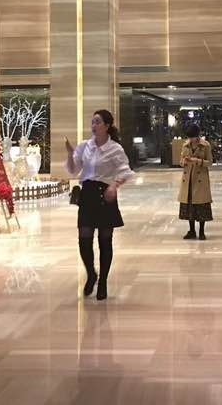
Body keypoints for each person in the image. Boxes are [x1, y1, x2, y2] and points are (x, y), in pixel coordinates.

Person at [65, 109, 135, 300]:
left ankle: (103, 281)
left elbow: (125, 171)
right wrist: (71, 154)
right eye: (93, 122)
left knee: (105, 240)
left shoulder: (115, 148)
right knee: (84, 238)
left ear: (107, 126)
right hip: (87, 194)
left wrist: (114, 185)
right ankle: (91, 274)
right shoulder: (84, 146)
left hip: (105, 195)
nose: (94, 125)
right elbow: (73, 171)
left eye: (97, 122)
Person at [178, 124, 214, 240]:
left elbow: (210, 162)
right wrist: (184, 161)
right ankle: (192, 230)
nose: (191, 139)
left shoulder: (205, 145)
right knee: (190, 206)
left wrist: (197, 161)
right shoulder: (185, 145)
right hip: (188, 179)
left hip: (200, 180)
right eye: (189, 137)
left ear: (197, 135)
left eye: (193, 137)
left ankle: (202, 231)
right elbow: (181, 161)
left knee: (201, 206)